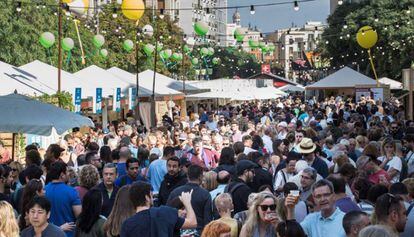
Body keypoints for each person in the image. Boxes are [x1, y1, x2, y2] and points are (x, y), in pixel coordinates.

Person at [120, 181, 197, 237]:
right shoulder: (164, 213)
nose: (153, 199)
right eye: (151, 196)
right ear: (147, 198)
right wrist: (187, 202)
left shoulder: (127, 224)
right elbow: (192, 223)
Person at [167, 165, 212, 232]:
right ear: (200, 176)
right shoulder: (205, 194)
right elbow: (207, 219)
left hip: (178, 231)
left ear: (187, 176)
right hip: (198, 232)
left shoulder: (175, 192)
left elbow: (167, 214)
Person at [45, 162, 81, 237]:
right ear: (62, 175)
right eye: (67, 171)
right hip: (67, 233)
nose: (68, 174)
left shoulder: (43, 190)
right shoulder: (72, 191)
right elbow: (79, 215)